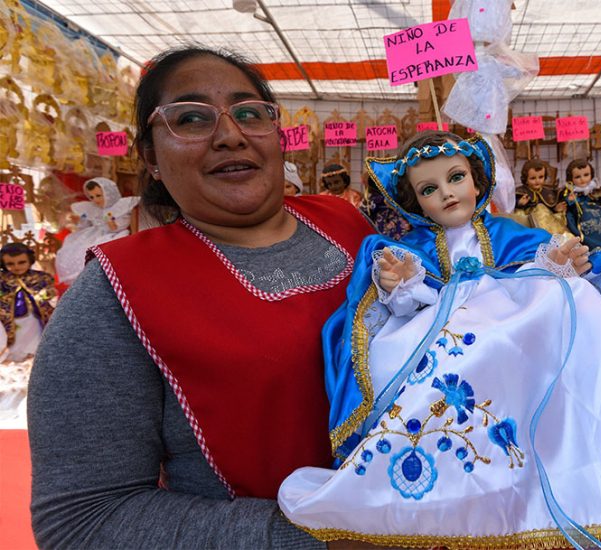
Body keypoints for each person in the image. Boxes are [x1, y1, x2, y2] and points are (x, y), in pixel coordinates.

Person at [278, 132, 601, 548]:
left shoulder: (510, 233)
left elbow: (539, 273)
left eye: (455, 177)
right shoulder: (409, 246)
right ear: (414, 201)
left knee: (572, 302)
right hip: (445, 331)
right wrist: (401, 283)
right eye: (429, 188)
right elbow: (407, 304)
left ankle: (554, 461)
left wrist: (560, 267)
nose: (446, 193)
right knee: (427, 361)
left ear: (478, 181)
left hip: (511, 325)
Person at [27, 46, 373, 549]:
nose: (230, 135)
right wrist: (321, 540)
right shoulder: (116, 293)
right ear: (151, 158)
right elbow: (82, 520)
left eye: (250, 113)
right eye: (190, 119)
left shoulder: (354, 224)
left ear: (278, 137)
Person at [54, 177, 140, 285]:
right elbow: (87, 224)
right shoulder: (93, 209)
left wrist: (110, 222)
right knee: (73, 243)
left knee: (95, 250)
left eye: (98, 196)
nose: (95, 200)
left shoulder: (120, 207)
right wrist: (79, 220)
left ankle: (95, 276)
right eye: (92, 197)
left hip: (112, 235)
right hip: (95, 232)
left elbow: (117, 227)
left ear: (109, 193)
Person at [0, 242, 56, 362]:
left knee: (35, 338)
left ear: (30, 260)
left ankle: (34, 358)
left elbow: (51, 294)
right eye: (10, 264)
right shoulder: (2, 280)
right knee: (15, 339)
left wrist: (47, 294)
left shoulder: (41, 278)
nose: (16, 267)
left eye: (21, 262)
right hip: (10, 319)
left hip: (36, 317)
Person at [514, 158, 572, 236]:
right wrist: (520, 203)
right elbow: (514, 205)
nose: (537, 181)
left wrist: (556, 209)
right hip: (530, 223)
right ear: (526, 179)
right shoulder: (521, 192)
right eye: (533, 178)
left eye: (541, 177)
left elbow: (551, 206)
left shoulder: (548, 192)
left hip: (549, 223)